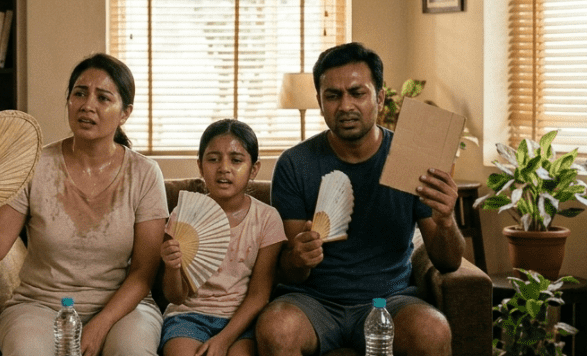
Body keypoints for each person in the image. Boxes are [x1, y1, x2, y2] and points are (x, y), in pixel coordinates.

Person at [0, 53, 168, 356]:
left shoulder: (145, 173)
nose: (88, 105)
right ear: (69, 101)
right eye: (80, 93)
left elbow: (143, 273)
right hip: (39, 305)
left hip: (122, 308)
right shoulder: (34, 165)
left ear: (124, 113)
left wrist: (100, 325)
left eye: (103, 98)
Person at [255, 42, 464, 356]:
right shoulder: (295, 163)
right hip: (312, 301)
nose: (345, 106)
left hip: (389, 300)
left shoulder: (415, 157)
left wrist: (446, 220)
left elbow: (449, 262)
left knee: (432, 329)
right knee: (276, 328)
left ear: (379, 97)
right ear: (320, 101)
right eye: (333, 95)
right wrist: (297, 257)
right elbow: (287, 270)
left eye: (357, 93)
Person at [159, 119, 287, 356]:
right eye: (213, 159)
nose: (224, 168)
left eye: (236, 160)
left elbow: (259, 295)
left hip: (241, 320)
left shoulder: (267, 219)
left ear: (254, 169)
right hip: (188, 317)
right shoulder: (183, 215)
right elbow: (175, 295)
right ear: (200, 165)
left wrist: (223, 340)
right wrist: (171, 267)